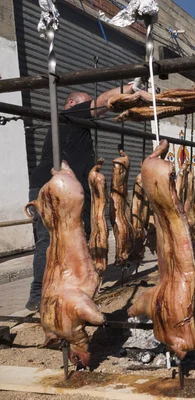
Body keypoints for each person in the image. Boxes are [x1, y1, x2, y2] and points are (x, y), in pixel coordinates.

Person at [26, 80, 140, 311]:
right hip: (54, 188)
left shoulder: (75, 128)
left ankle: (65, 286)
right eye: (84, 105)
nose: (89, 112)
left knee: (74, 238)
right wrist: (129, 88)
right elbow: (101, 103)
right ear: (72, 104)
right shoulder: (69, 115)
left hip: (65, 191)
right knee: (48, 240)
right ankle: (38, 294)